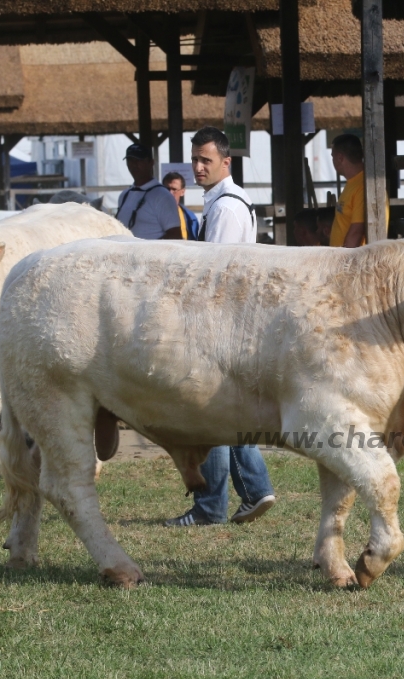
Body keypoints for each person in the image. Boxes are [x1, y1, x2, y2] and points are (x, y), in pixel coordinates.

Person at [165, 126, 275, 527]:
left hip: (221, 321)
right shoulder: (230, 200)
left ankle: (211, 507)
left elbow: (216, 273)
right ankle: (254, 489)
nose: (197, 167)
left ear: (225, 163)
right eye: (195, 159)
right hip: (235, 320)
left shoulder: (226, 207)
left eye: (205, 160)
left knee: (208, 410)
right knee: (223, 410)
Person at [328, 134, 388, 248]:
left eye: (333, 157)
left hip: (349, 260)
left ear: (340, 158)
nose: (333, 161)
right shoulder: (353, 183)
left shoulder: (363, 187)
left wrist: (344, 263)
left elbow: (357, 232)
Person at [115, 143, 182, 240]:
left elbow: (175, 236)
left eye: (139, 161)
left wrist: (145, 251)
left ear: (151, 163)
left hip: (152, 255)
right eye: (130, 160)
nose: (134, 165)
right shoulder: (124, 195)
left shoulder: (163, 196)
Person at [162, 171, 200, 240]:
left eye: (174, 189)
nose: (170, 193)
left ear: (182, 192)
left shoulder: (191, 219)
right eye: (167, 189)